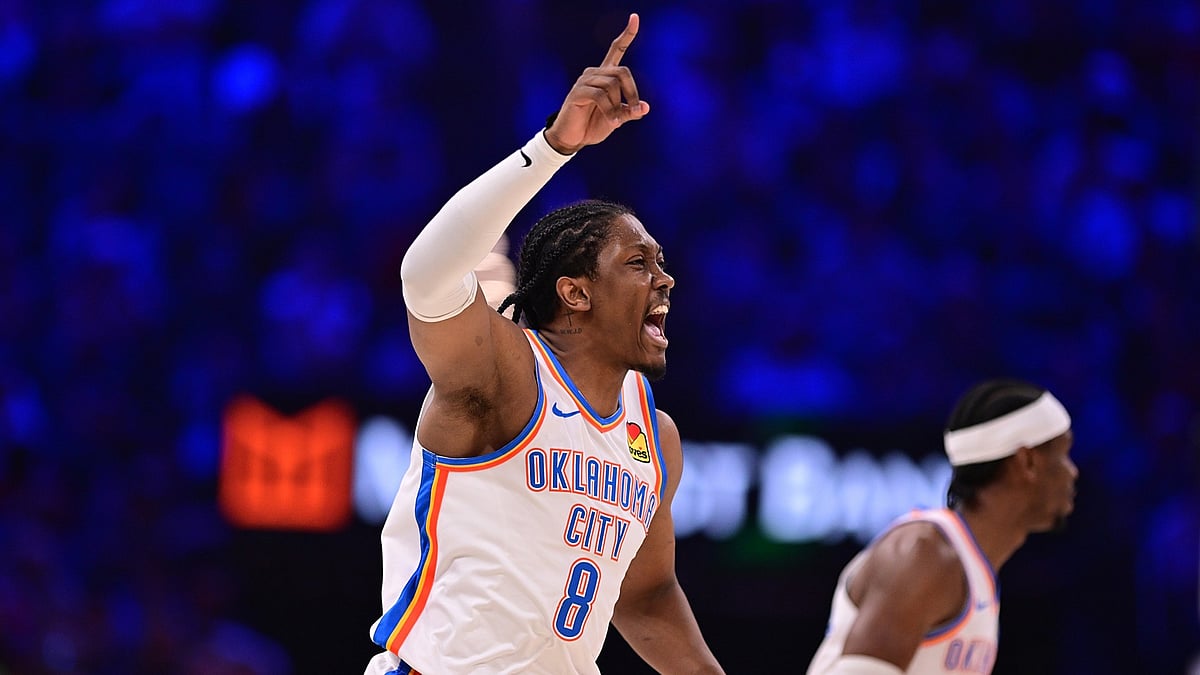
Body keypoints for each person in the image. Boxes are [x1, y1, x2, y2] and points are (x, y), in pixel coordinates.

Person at [363, 13, 725, 675]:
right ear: (575, 292)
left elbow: (644, 595)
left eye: (662, 262)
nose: (665, 277)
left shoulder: (654, 434)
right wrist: (554, 147)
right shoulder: (506, 371)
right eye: (638, 263)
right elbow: (425, 277)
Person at [806, 379, 1078, 675]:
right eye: (1063, 455)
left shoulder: (972, 568)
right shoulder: (923, 554)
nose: (1072, 472)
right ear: (1027, 462)